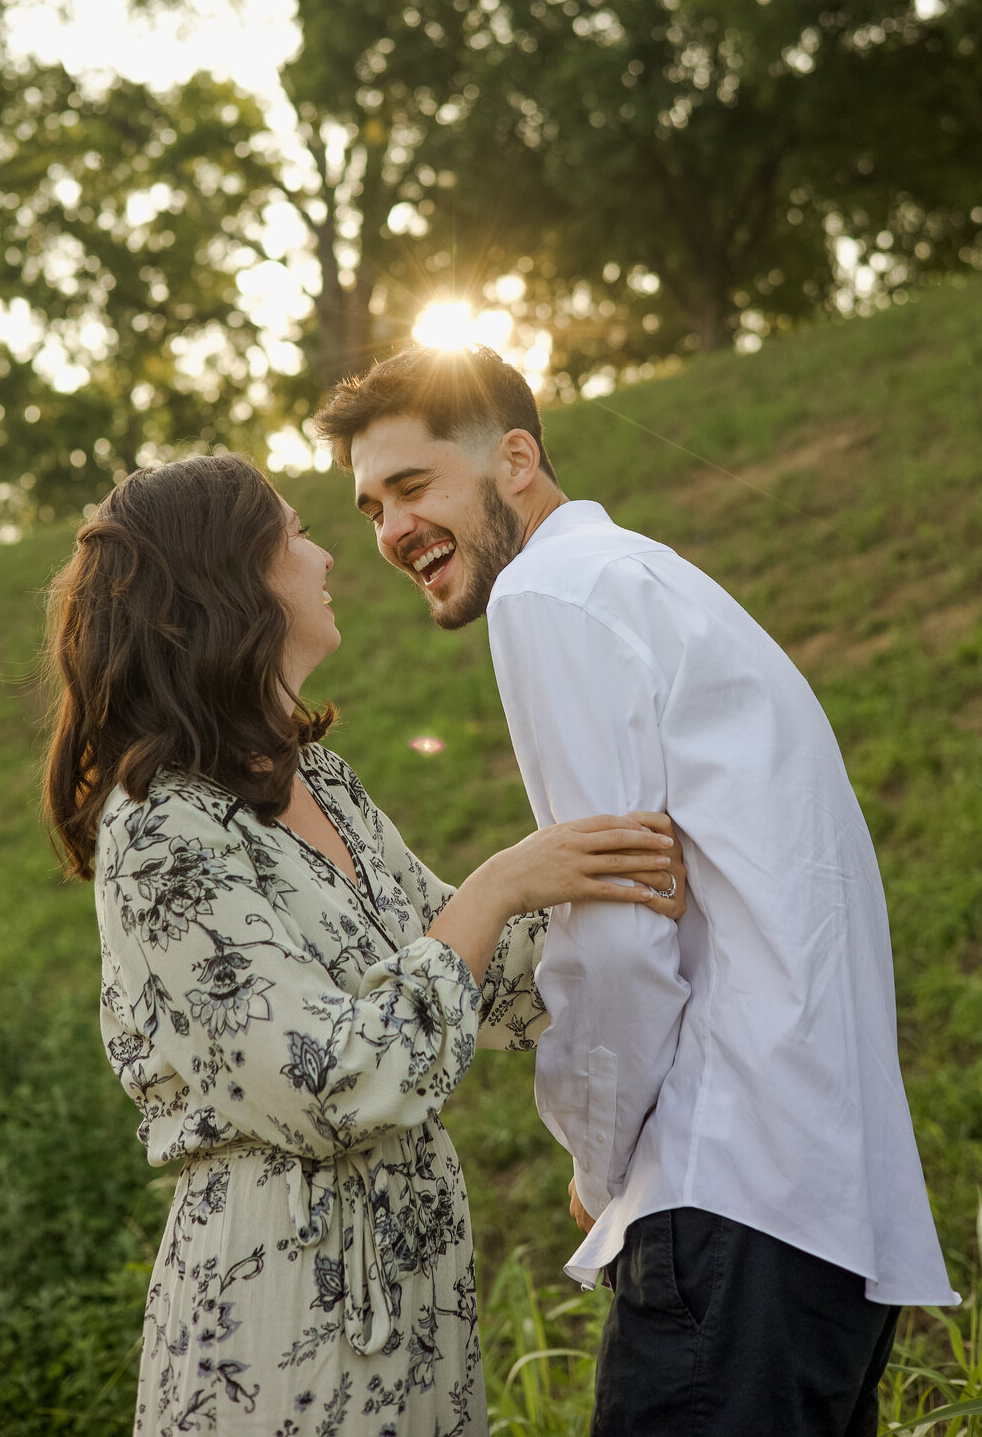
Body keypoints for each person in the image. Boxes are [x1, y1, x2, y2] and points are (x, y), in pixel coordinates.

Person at [316, 344, 960, 1437]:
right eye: (371, 506)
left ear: (515, 459)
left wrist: (599, 1155)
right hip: (835, 1210)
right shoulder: (649, 581)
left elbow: (618, 926)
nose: (389, 531)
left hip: (727, 1199)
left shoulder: (551, 596)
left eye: (413, 487)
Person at [42, 452, 687, 1437]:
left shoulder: (320, 782)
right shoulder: (159, 829)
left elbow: (487, 980)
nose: (328, 555)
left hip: (417, 1300)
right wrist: (504, 880)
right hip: (283, 1310)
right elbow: (333, 1083)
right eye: (296, 533)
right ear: (236, 580)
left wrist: (632, 897)